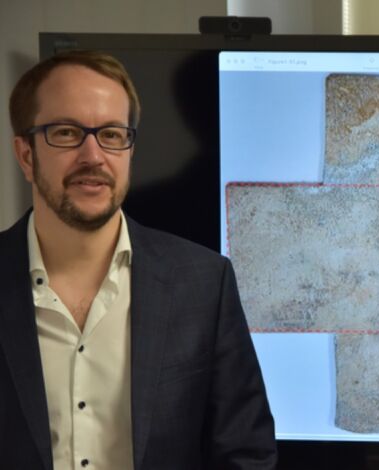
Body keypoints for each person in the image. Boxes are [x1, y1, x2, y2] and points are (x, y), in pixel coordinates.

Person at [0, 50, 277, 469]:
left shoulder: (204, 284)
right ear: (25, 155)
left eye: (111, 134)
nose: (93, 156)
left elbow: (245, 455)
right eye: (66, 133)